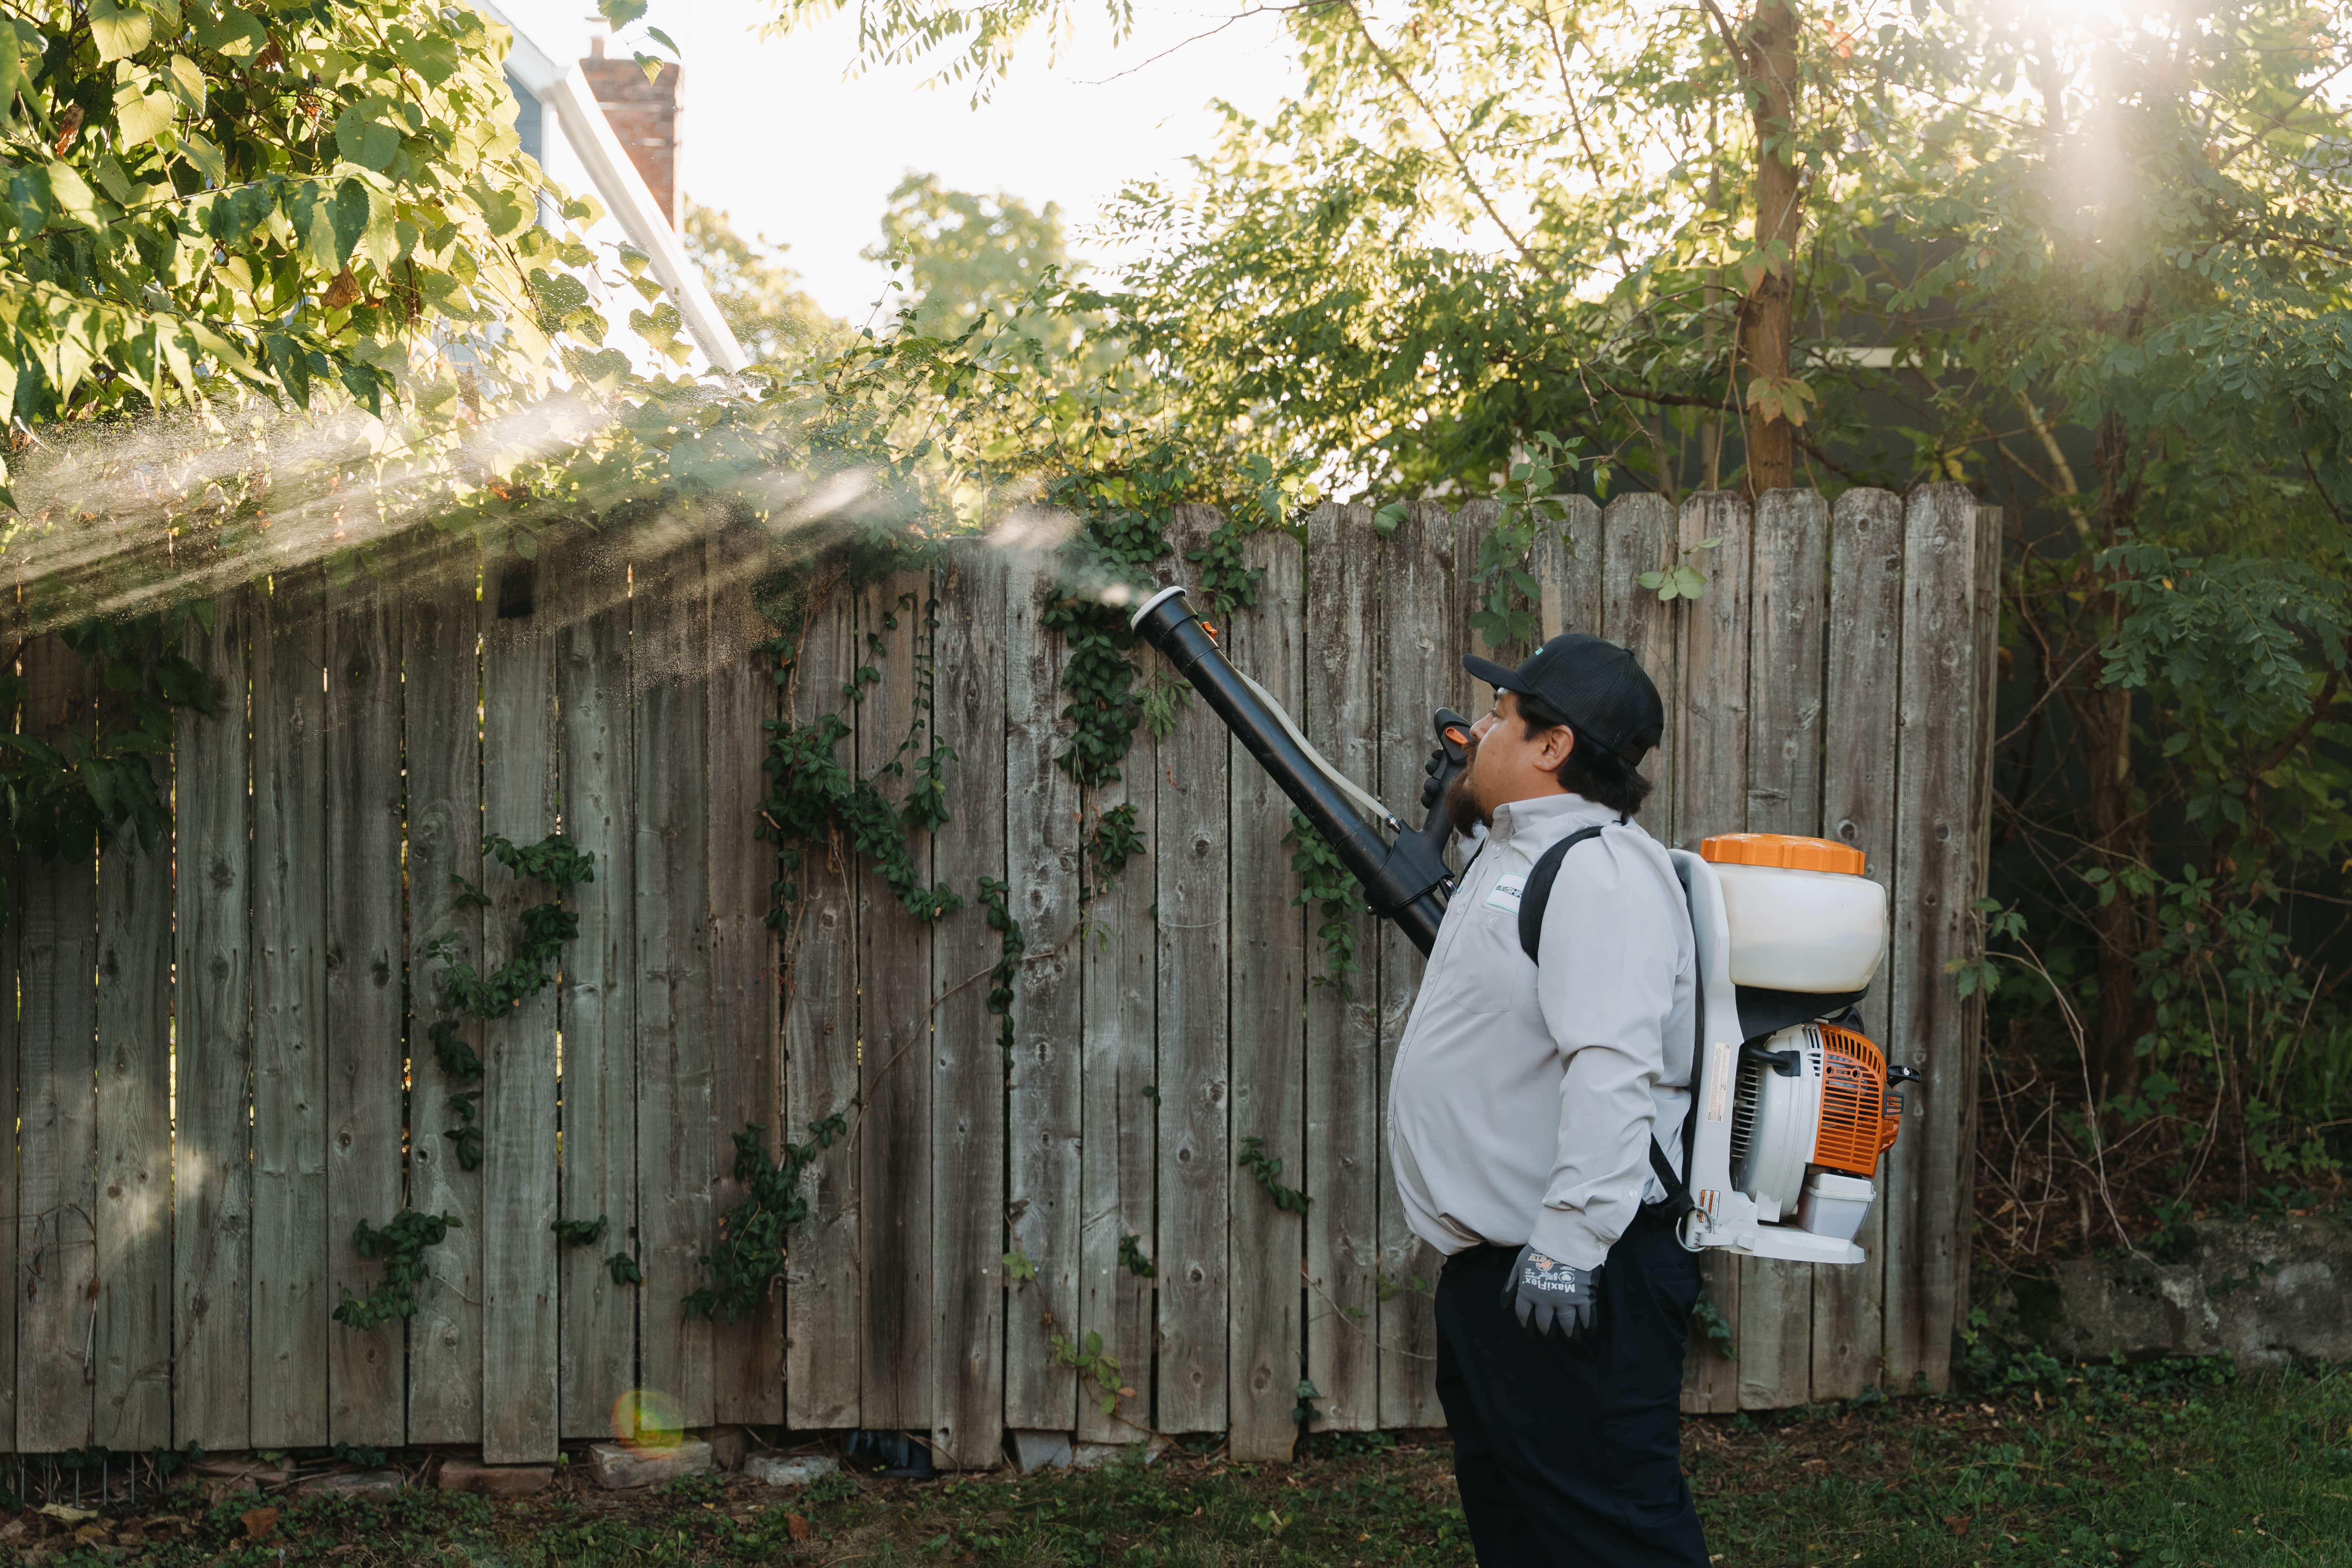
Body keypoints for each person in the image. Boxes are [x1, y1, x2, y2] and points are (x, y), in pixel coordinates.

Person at [1386, 630, 1708, 1567]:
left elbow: (1614, 1071)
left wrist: (1568, 1246)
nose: (1478, 730)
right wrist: (1462, 807)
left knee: (1614, 1537)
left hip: (1573, 1280)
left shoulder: (1602, 873)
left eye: (1500, 717)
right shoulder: (1525, 853)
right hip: (1500, 1278)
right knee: (1525, 1534)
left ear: (1553, 746)